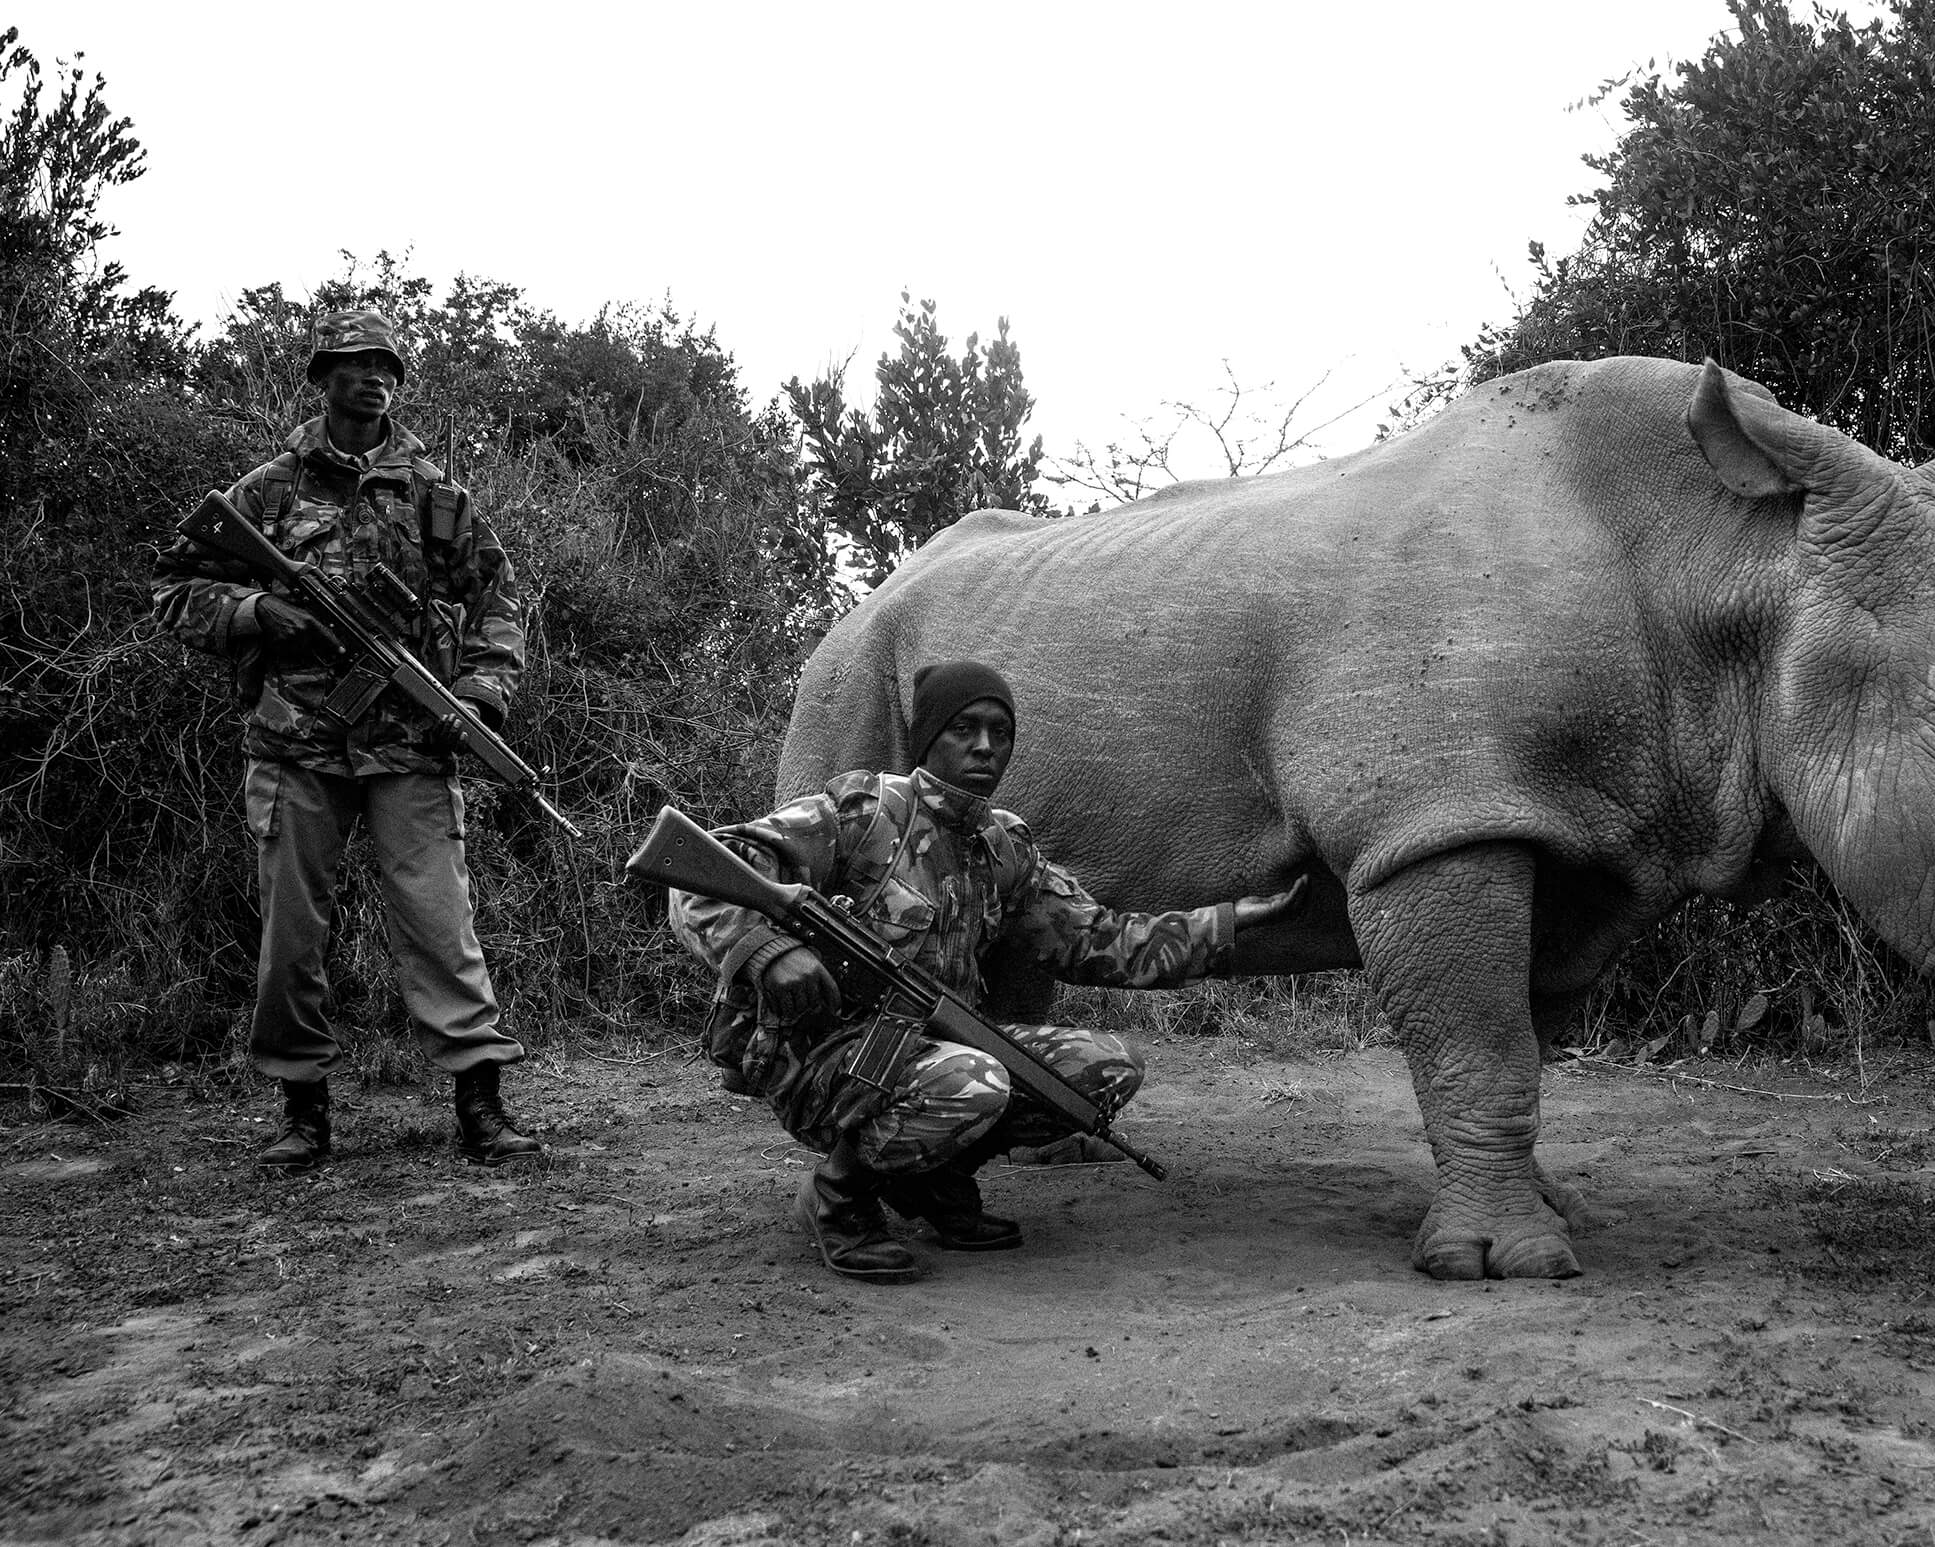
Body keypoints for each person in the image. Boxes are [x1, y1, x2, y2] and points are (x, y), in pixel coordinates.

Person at [670, 660, 1303, 1283]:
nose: (985, 747)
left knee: (1102, 1069)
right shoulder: (864, 815)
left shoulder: (1002, 846)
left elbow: (1095, 940)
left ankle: (933, 1182)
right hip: (817, 1063)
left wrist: (1225, 924)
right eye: (964, 729)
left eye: (1001, 734)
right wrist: (766, 950)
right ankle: (837, 1198)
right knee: (977, 1079)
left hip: (928, 1049)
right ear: (929, 740)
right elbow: (697, 879)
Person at [152, 305, 540, 1173]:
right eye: (354, 363)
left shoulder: (439, 497)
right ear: (323, 377)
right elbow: (174, 585)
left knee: (443, 925)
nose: (373, 376)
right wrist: (258, 611)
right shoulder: (269, 490)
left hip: (410, 747)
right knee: (293, 932)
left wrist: (478, 697)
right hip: (295, 746)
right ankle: (303, 1112)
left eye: (386, 365)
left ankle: (480, 1102)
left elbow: (497, 605)